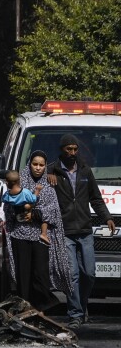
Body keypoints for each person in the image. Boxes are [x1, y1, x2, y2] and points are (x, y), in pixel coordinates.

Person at [47, 134, 116, 328]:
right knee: (72, 274)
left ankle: (82, 305)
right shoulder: (52, 170)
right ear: (62, 150)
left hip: (85, 230)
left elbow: (96, 198)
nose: (72, 153)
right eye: (68, 149)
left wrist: (107, 218)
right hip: (64, 231)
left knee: (89, 273)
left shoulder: (85, 170)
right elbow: (31, 174)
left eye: (75, 149)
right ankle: (75, 314)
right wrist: (47, 175)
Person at [4, 150, 72, 313]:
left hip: (41, 238)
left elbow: (53, 211)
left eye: (41, 165)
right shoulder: (19, 183)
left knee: (40, 275)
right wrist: (19, 212)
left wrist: (35, 214)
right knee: (23, 275)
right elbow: (8, 207)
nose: (38, 168)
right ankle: (24, 309)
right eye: (35, 164)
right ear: (29, 165)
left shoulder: (48, 187)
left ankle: (42, 308)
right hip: (20, 235)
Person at [2, 170, 49, 244]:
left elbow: (3, 200)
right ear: (19, 180)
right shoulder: (25, 192)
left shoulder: (7, 195)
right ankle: (44, 234)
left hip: (17, 215)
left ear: (7, 183)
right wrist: (37, 190)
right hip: (27, 212)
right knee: (44, 215)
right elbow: (33, 199)